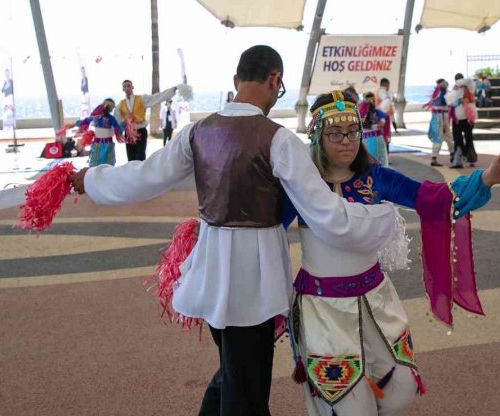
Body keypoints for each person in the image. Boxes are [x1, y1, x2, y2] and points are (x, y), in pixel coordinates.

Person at [70, 46, 400, 416]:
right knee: (247, 392)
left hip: (211, 272)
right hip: (253, 281)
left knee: (233, 372)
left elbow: (144, 177)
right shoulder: (279, 140)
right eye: (281, 86)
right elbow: (327, 214)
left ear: (235, 81)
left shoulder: (197, 131)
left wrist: (91, 179)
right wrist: (385, 219)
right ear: (275, 79)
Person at [283, 91, 500, 415]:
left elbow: (433, 198)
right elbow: (259, 225)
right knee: (347, 405)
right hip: (323, 309)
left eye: (353, 132)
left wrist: (484, 178)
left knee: (401, 387)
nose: (346, 141)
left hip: (375, 300)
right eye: (334, 133)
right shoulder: (300, 186)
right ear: (317, 136)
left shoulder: (376, 178)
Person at [115, 79, 177, 162]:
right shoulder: (120, 104)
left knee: (141, 157)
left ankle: (141, 174)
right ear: (123, 89)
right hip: (129, 133)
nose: (127, 88)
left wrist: (172, 90)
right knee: (130, 158)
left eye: (128, 86)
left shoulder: (141, 99)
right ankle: (132, 174)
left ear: (132, 87)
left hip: (140, 131)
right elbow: (117, 120)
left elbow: (157, 97)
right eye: (124, 86)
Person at [77, 99, 123, 166]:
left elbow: (84, 121)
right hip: (108, 145)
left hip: (97, 145)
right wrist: (124, 124)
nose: (112, 110)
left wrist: (74, 124)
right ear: (110, 108)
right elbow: (118, 129)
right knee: (108, 165)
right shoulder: (111, 118)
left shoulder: (95, 117)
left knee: (95, 165)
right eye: (112, 108)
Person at [447, 75, 478, 169]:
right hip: (457, 119)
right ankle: (459, 160)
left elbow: (469, 80)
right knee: (458, 139)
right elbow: (449, 101)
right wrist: (455, 89)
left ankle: (470, 159)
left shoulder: (470, 87)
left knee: (468, 139)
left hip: (467, 119)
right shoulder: (455, 90)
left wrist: (459, 84)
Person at [425, 79, 453, 167]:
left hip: (441, 115)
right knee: (440, 136)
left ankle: (452, 154)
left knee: (446, 136)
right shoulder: (439, 93)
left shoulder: (440, 93)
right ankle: (436, 157)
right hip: (439, 116)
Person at [359, 91, 389, 166]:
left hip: (375, 140)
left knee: (377, 163)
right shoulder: (362, 112)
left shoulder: (377, 112)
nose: (371, 102)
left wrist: (382, 120)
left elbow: (384, 117)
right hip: (371, 140)